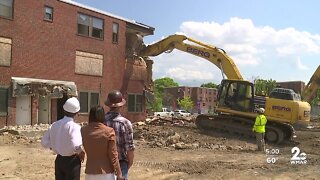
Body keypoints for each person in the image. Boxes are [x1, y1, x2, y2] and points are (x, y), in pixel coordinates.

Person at [41, 97, 85, 180]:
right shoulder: (75, 127)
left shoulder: (54, 124)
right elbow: (75, 144)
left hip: (59, 161)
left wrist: (54, 145)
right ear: (77, 112)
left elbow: (44, 142)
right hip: (72, 161)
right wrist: (81, 152)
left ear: (64, 110)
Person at [81, 105, 124, 180]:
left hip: (90, 172)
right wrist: (119, 173)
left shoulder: (83, 131)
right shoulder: (109, 131)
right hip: (106, 172)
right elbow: (113, 154)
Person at [104, 90, 135, 180]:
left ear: (108, 105)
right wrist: (129, 163)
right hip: (121, 162)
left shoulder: (101, 121)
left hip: (104, 162)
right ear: (121, 105)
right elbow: (129, 147)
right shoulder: (125, 123)